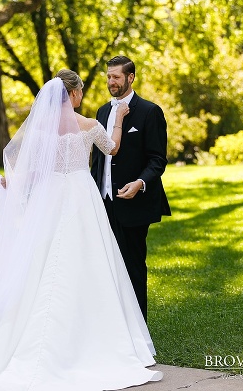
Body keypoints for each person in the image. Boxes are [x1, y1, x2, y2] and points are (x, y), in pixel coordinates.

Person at [0, 70, 163, 390]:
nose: (81, 96)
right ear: (73, 94)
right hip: (81, 195)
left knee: (41, 264)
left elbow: (29, 170)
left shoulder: (40, 129)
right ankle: (91, 336)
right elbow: (111, 148)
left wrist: (9, 184)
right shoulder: (88, 125)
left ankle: (24, 339)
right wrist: (120, 119)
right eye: (80, 91)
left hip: (50, 197)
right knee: (88, 261)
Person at [90, 55, 170, 321]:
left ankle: (139, 329)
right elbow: (100, 158)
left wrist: (140, 183)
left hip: (134, 203)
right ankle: (115, 325)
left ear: (130, 77)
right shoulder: (102, 112)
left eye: (116, 77)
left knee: (133, 266)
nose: (111, 82)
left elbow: (158, 159)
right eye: (108, 77)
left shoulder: (150, 111)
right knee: (108, 266)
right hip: (105, 203)